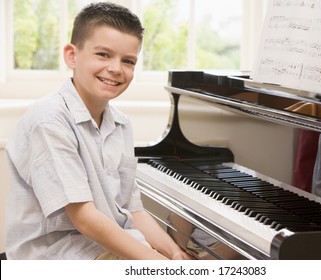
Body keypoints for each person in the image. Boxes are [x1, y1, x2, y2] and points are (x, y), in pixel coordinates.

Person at [5, 2, 192, 260]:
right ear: (72, 55)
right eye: (103, 54)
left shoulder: (121, 124)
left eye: (128, 61)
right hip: (57, 254)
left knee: (203, 255)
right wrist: (157, 264)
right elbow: (84, 219)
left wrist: (173, 252)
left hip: (102, 242)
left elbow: (132, 209)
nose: (116, 68)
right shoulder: (49, 120)